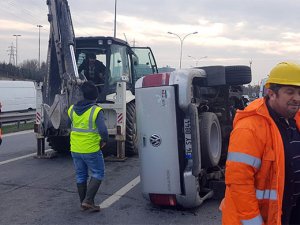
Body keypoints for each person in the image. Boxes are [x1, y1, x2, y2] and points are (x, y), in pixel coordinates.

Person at [220, 62, 300, 225]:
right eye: (290, 92)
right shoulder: (250, 128)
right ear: (271, 93)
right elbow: (239, 182)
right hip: (259, 219)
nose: (297, 98)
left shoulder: (294, 122)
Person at [68, 81, 108, 212]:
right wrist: (104, 140)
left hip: (75, 149)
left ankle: (83, 203)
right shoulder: (96, 111)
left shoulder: (72, 109)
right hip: (91, 149)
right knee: (98, 173)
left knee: (80, 175)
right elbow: (103, 130)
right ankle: (88, 200)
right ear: (95, 97)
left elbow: (69, 124)